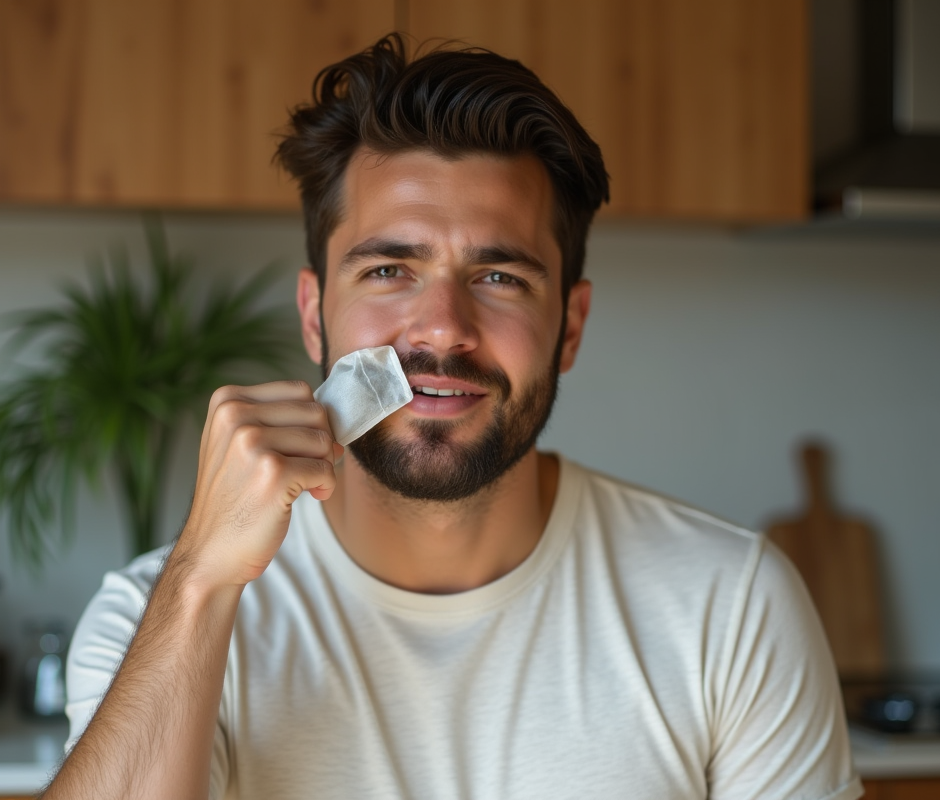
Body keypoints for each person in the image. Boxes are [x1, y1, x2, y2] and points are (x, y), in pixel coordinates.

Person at [45, 34, 862, 800]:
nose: (442, 326)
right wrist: (198, 582)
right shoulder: (157, 615)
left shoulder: (732, 606)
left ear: (569, 327)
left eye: (501, 277)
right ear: (313, 313)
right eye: (391, 269)